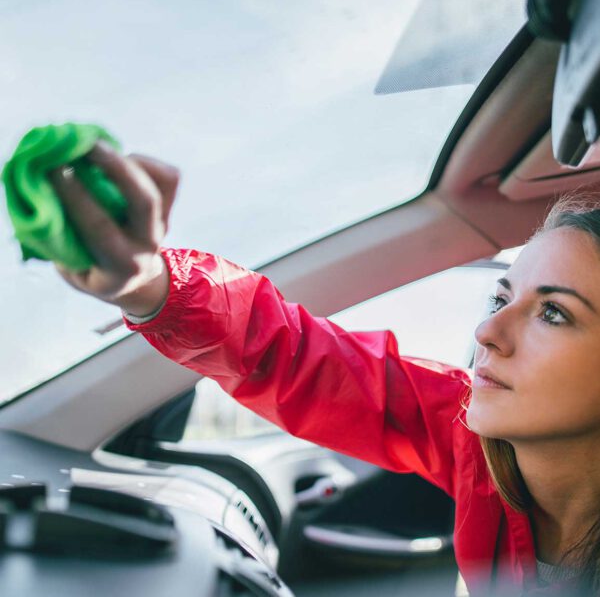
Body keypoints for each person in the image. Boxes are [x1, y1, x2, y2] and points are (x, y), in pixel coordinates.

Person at [50, 140, 600, 596]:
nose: (486, 333)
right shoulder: (469, 439)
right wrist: (149, 283)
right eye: (501, 300)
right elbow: (297, 358)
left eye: (553, 313)